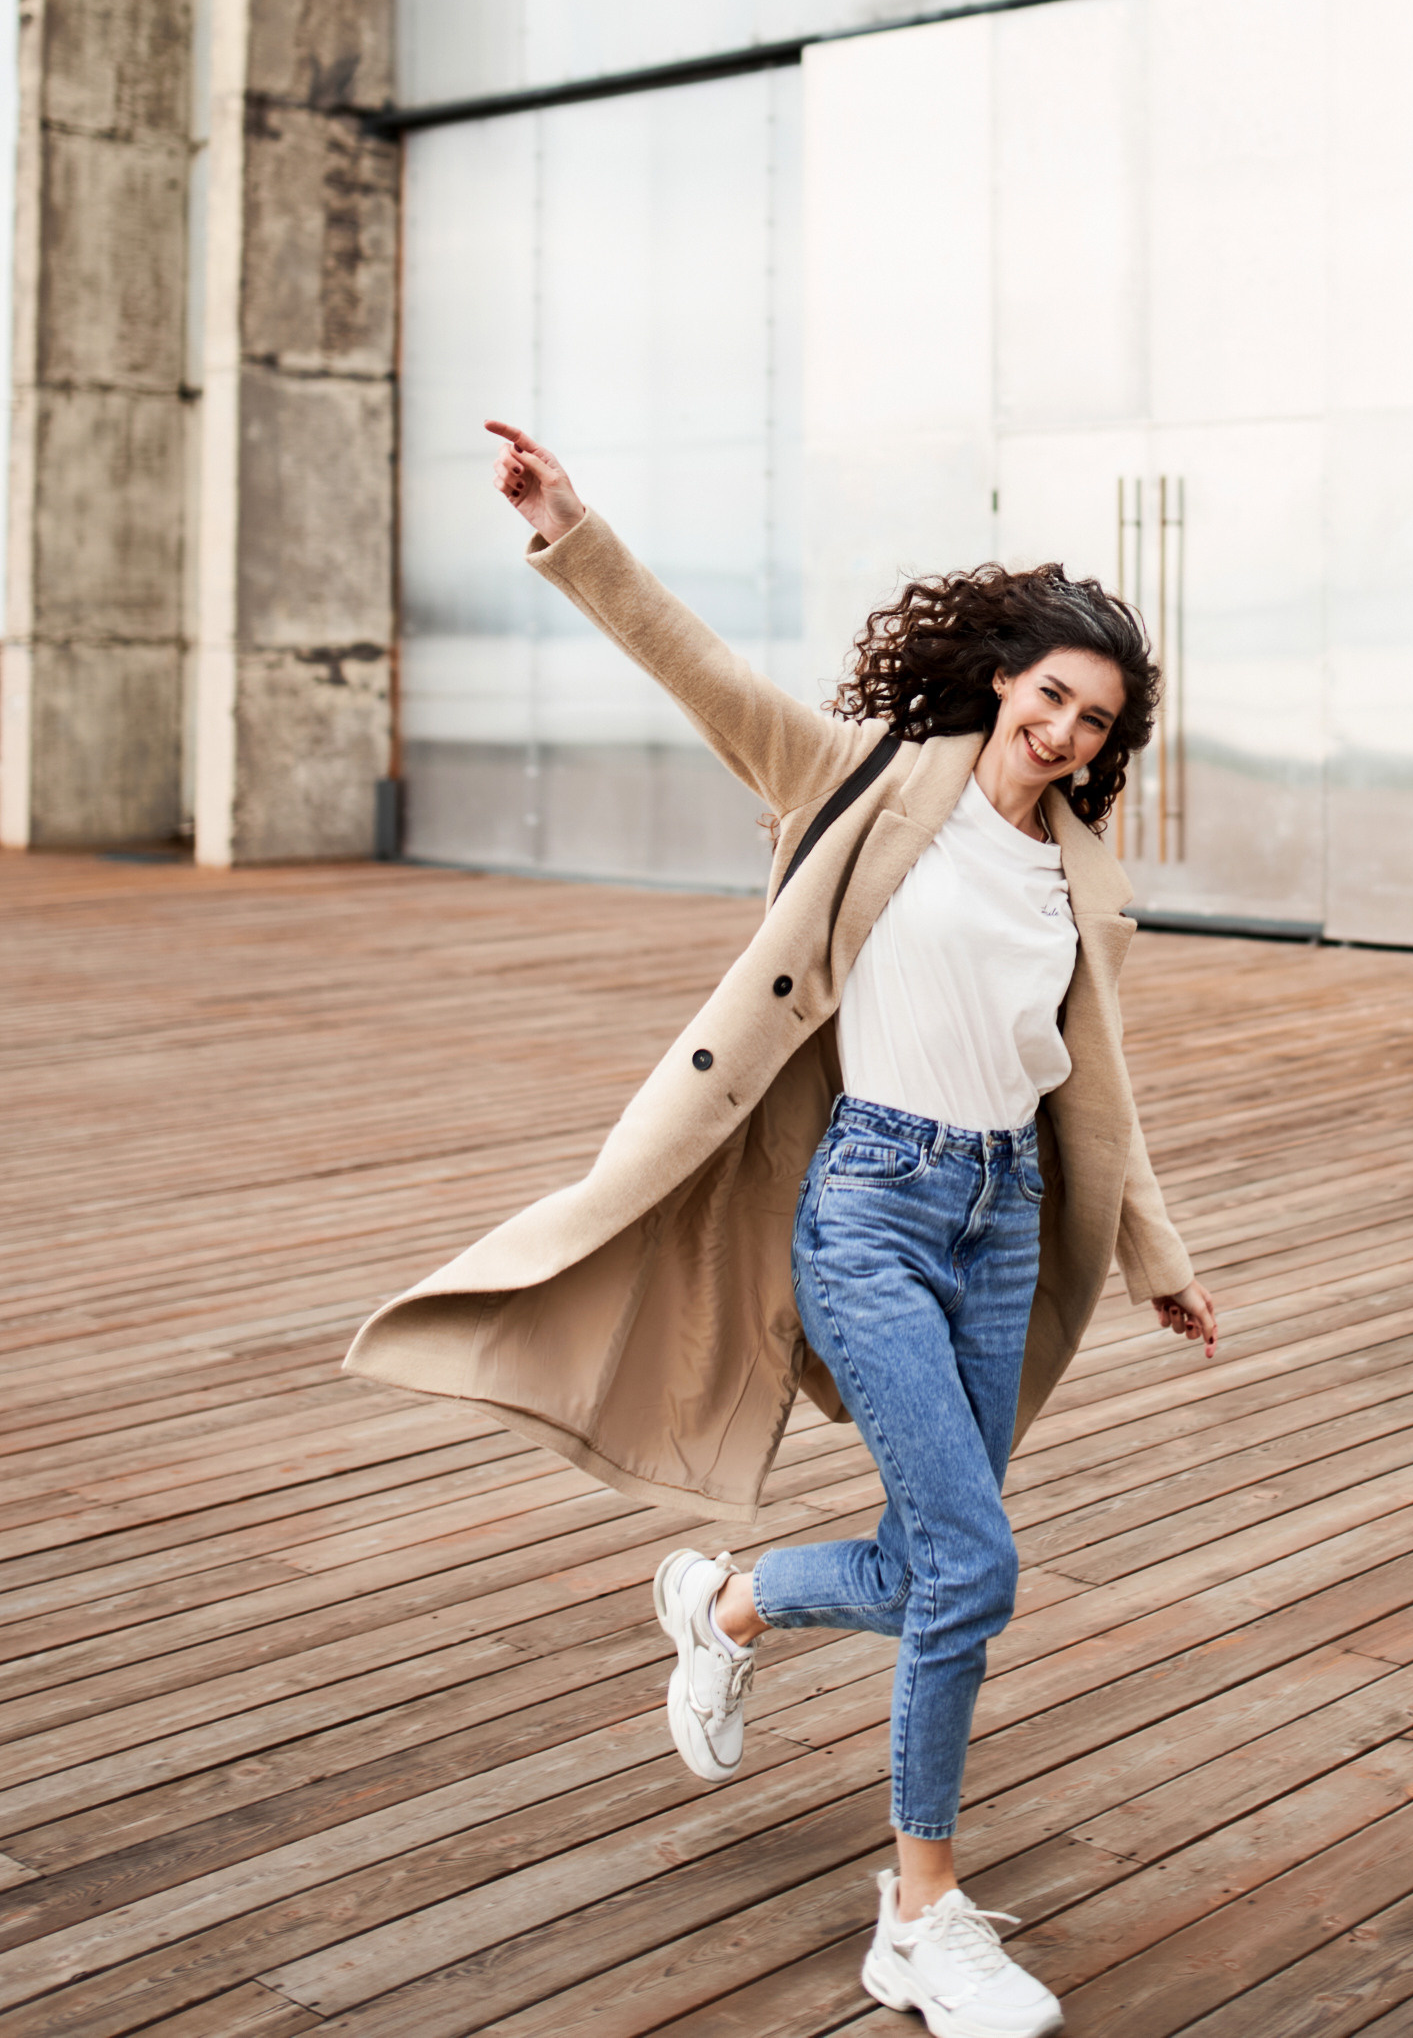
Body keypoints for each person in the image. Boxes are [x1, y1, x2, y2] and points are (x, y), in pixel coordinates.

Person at [346, 419, 1218, 2038]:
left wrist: (1155, 1257)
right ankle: (920, 1918)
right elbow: (701, 673)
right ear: (1000, 680)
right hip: (871, 1206)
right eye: (1048, 696)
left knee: (934, 1558)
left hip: (1006, 1221)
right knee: (972, 1563)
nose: (1063, 732)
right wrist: (570, 528)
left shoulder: (1078, 873)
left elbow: (1090, 1083)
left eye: (1094, 720)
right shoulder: (864, 778)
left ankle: (725, 1607)